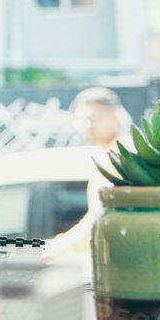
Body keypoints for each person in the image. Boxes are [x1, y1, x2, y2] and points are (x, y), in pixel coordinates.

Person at [49, 86, 135, 261]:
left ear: (115, 117)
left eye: (93, 117)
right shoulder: (109, 153)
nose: (87, 125)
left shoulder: (121, 155)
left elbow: (100, 219)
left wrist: (54, 250)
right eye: (82, 119)